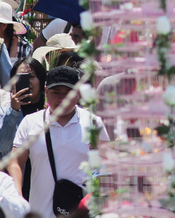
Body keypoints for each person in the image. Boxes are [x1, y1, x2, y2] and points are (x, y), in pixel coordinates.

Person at [9, 66, 110, 218]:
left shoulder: (93, 123)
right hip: (39, 212)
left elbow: (106, 165)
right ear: (46, 91)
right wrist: (17, 195)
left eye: (67, 93)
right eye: (56, 93)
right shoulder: (30, 122)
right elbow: (15, 161)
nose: (62, 99)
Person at [0, 58, 45, 159]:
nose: (27, 82)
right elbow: (4, 147)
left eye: (31, 76)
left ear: (41, 80)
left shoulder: (49, 110)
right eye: (20, 77)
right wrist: (14, 111)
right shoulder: (3, 113)